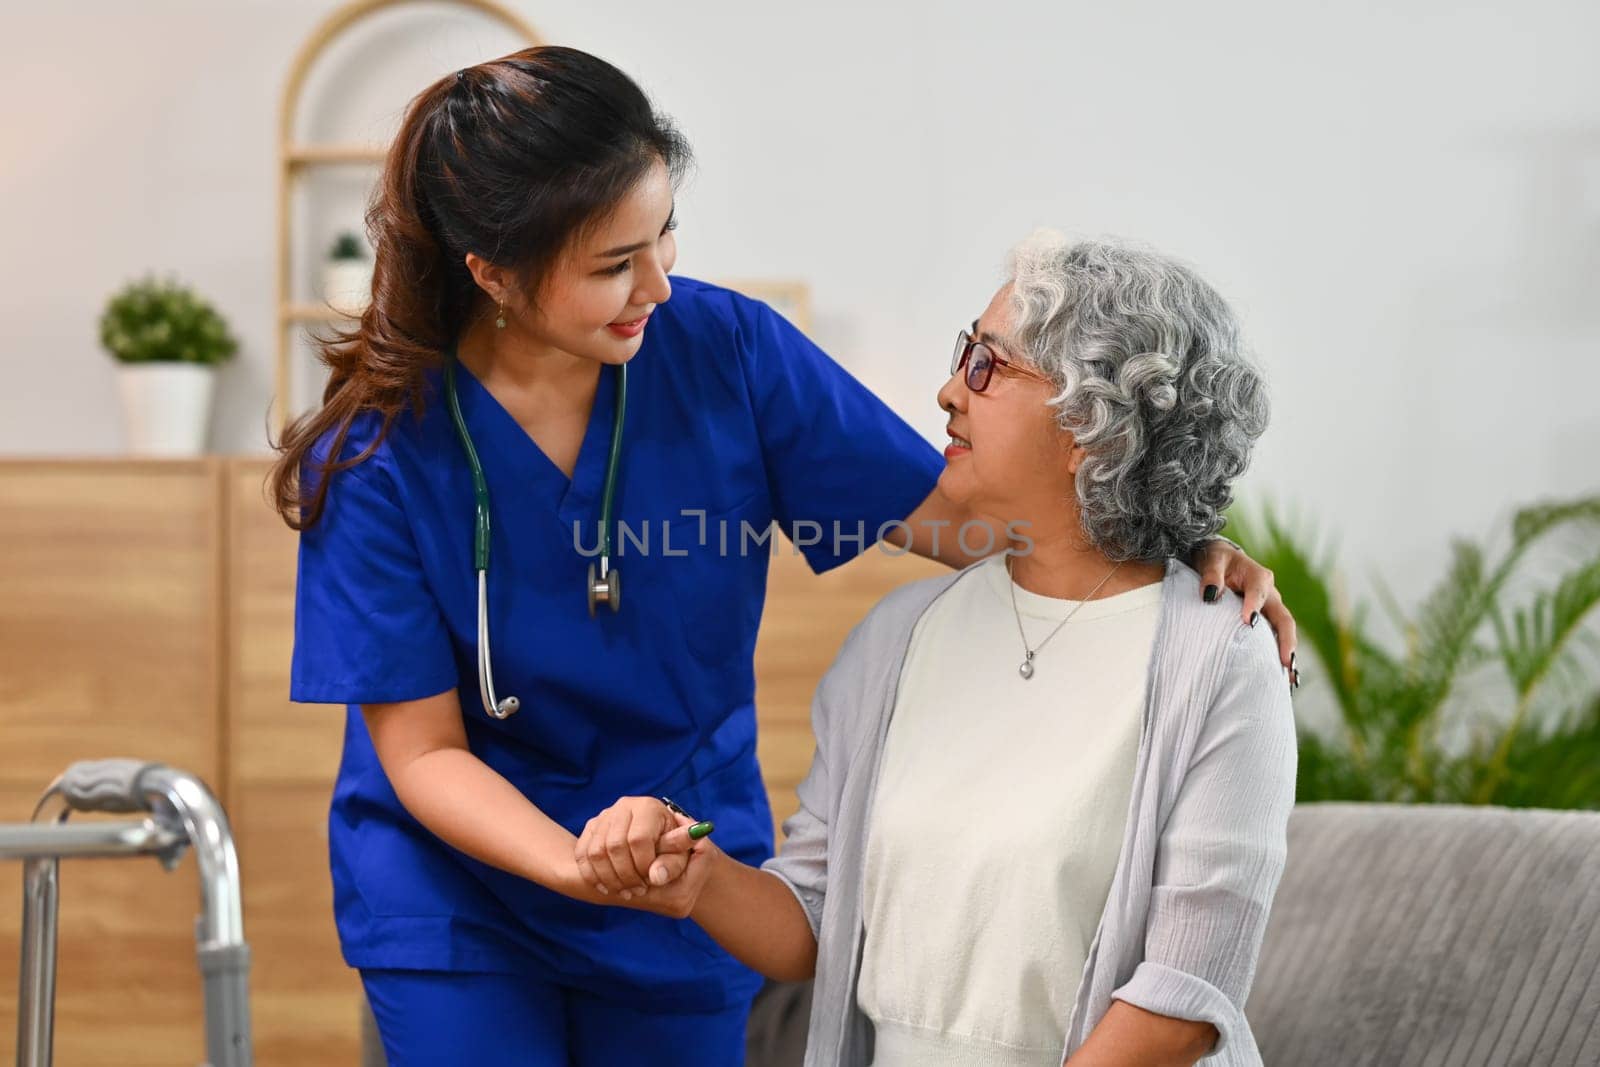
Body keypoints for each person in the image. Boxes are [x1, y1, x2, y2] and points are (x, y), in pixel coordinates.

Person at [272, 46, 1293, 1066]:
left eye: (663, 233)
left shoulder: (727, 354)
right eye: (613, 264)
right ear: (493, 272)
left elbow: (964, 514)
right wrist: (580, 863)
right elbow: (424, 752)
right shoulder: (376, 451)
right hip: (462, 895)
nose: (660, 285)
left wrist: (1169, 537)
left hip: (680, 861)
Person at [577, 234, 1298, 1066]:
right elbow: (813, 920)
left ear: (1090, 426)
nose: (949, 390)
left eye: (988, 364)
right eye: (966, 354)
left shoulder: (1221, 663)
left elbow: (1181, 1005)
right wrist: (695, 870)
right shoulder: (896, 638)